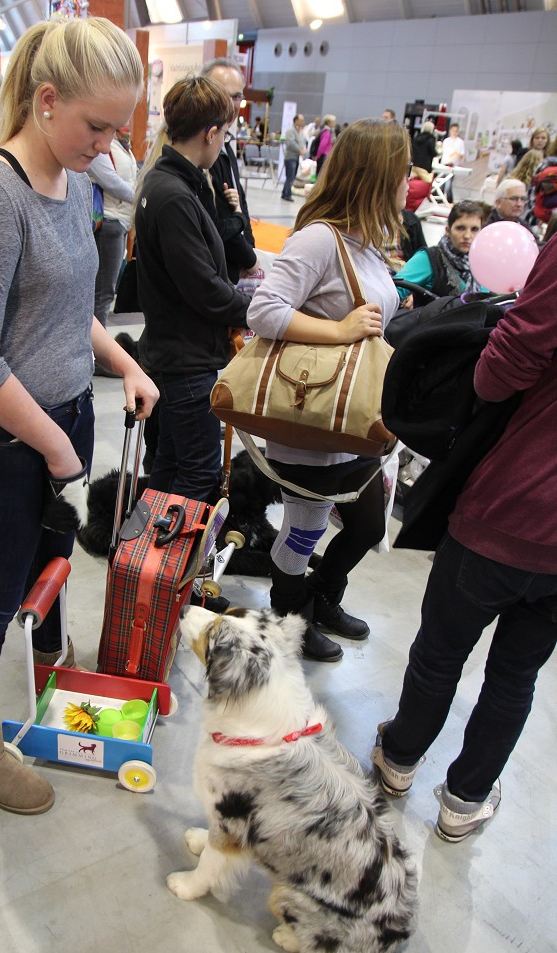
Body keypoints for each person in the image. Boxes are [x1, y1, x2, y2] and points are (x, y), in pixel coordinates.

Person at [0, 18, 158, 815]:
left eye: (117, 129)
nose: (106, 145)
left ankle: (40, 672)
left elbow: (72, 311)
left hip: (65, 417)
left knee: (46, 573)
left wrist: (127, 362)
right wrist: (60, 455)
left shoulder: (74, 182)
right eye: (96, 125)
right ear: (44, 100)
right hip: (5, 438)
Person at [371, 236, 557, 843]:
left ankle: (398, 760)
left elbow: (501, 370)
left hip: (513, 503)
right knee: (516, 673)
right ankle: (465, 799)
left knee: (442, 648)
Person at [247, 118, 411, 663]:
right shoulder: (320, 239)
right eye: (403, 171)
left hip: (355, 420)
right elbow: (263, 310)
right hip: (314, 418)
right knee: (303, 531)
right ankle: (289, 618)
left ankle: (321, 597)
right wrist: (339, 331)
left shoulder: (366, 243)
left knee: (365, 526)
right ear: (376, 175)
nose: (410, 181)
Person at [134, 75, 250, 503]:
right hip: (184, 361)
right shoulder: (174, 195)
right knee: (199, 473)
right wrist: (257, 308)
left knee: (169, 466)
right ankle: (172, 567)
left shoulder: (175, 183)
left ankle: (148, 562)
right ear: (210, 132)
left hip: (176, 352)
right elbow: (204, 289)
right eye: (224, 133)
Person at [200, 58, 258, 285]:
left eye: (237, 96)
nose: (231, 104)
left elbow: (240, 205)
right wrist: (250, 259)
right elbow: (216, 225)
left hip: (229, 274)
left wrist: (250, 250)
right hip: (212, 277)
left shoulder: (225, 145)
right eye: (224, 95)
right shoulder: (205, 153)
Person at [88, 128, 137, 335]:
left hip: (121, 221)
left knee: (104, 292)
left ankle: (97, 348)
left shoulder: (124, 145)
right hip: (109, 221)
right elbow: (110, 181)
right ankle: (96, 353)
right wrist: (142, 198)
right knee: (102, 293)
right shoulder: (104, 144)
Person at [396, 200, 484, 302]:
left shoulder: (482, 262)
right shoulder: (429, 258)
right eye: (460, 228)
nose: (467, 236)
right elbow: (394, 291)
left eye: (474, 229)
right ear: (448, 230)